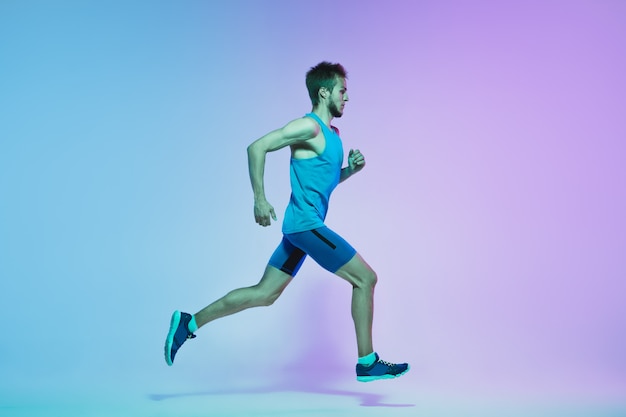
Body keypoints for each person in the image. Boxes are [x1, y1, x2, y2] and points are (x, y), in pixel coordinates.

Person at [164, 62, 409, 382]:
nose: (347, 98)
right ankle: (367, 362)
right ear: (324, 92)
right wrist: (260, 198)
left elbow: (322, 183)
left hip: (300, 228)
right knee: (365, 278)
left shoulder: (334, 135)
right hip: (306, 226)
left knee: (264, 294)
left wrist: (349, 171)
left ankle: (188, 323)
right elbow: (257, 147)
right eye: (342, 91)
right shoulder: (308, 127)